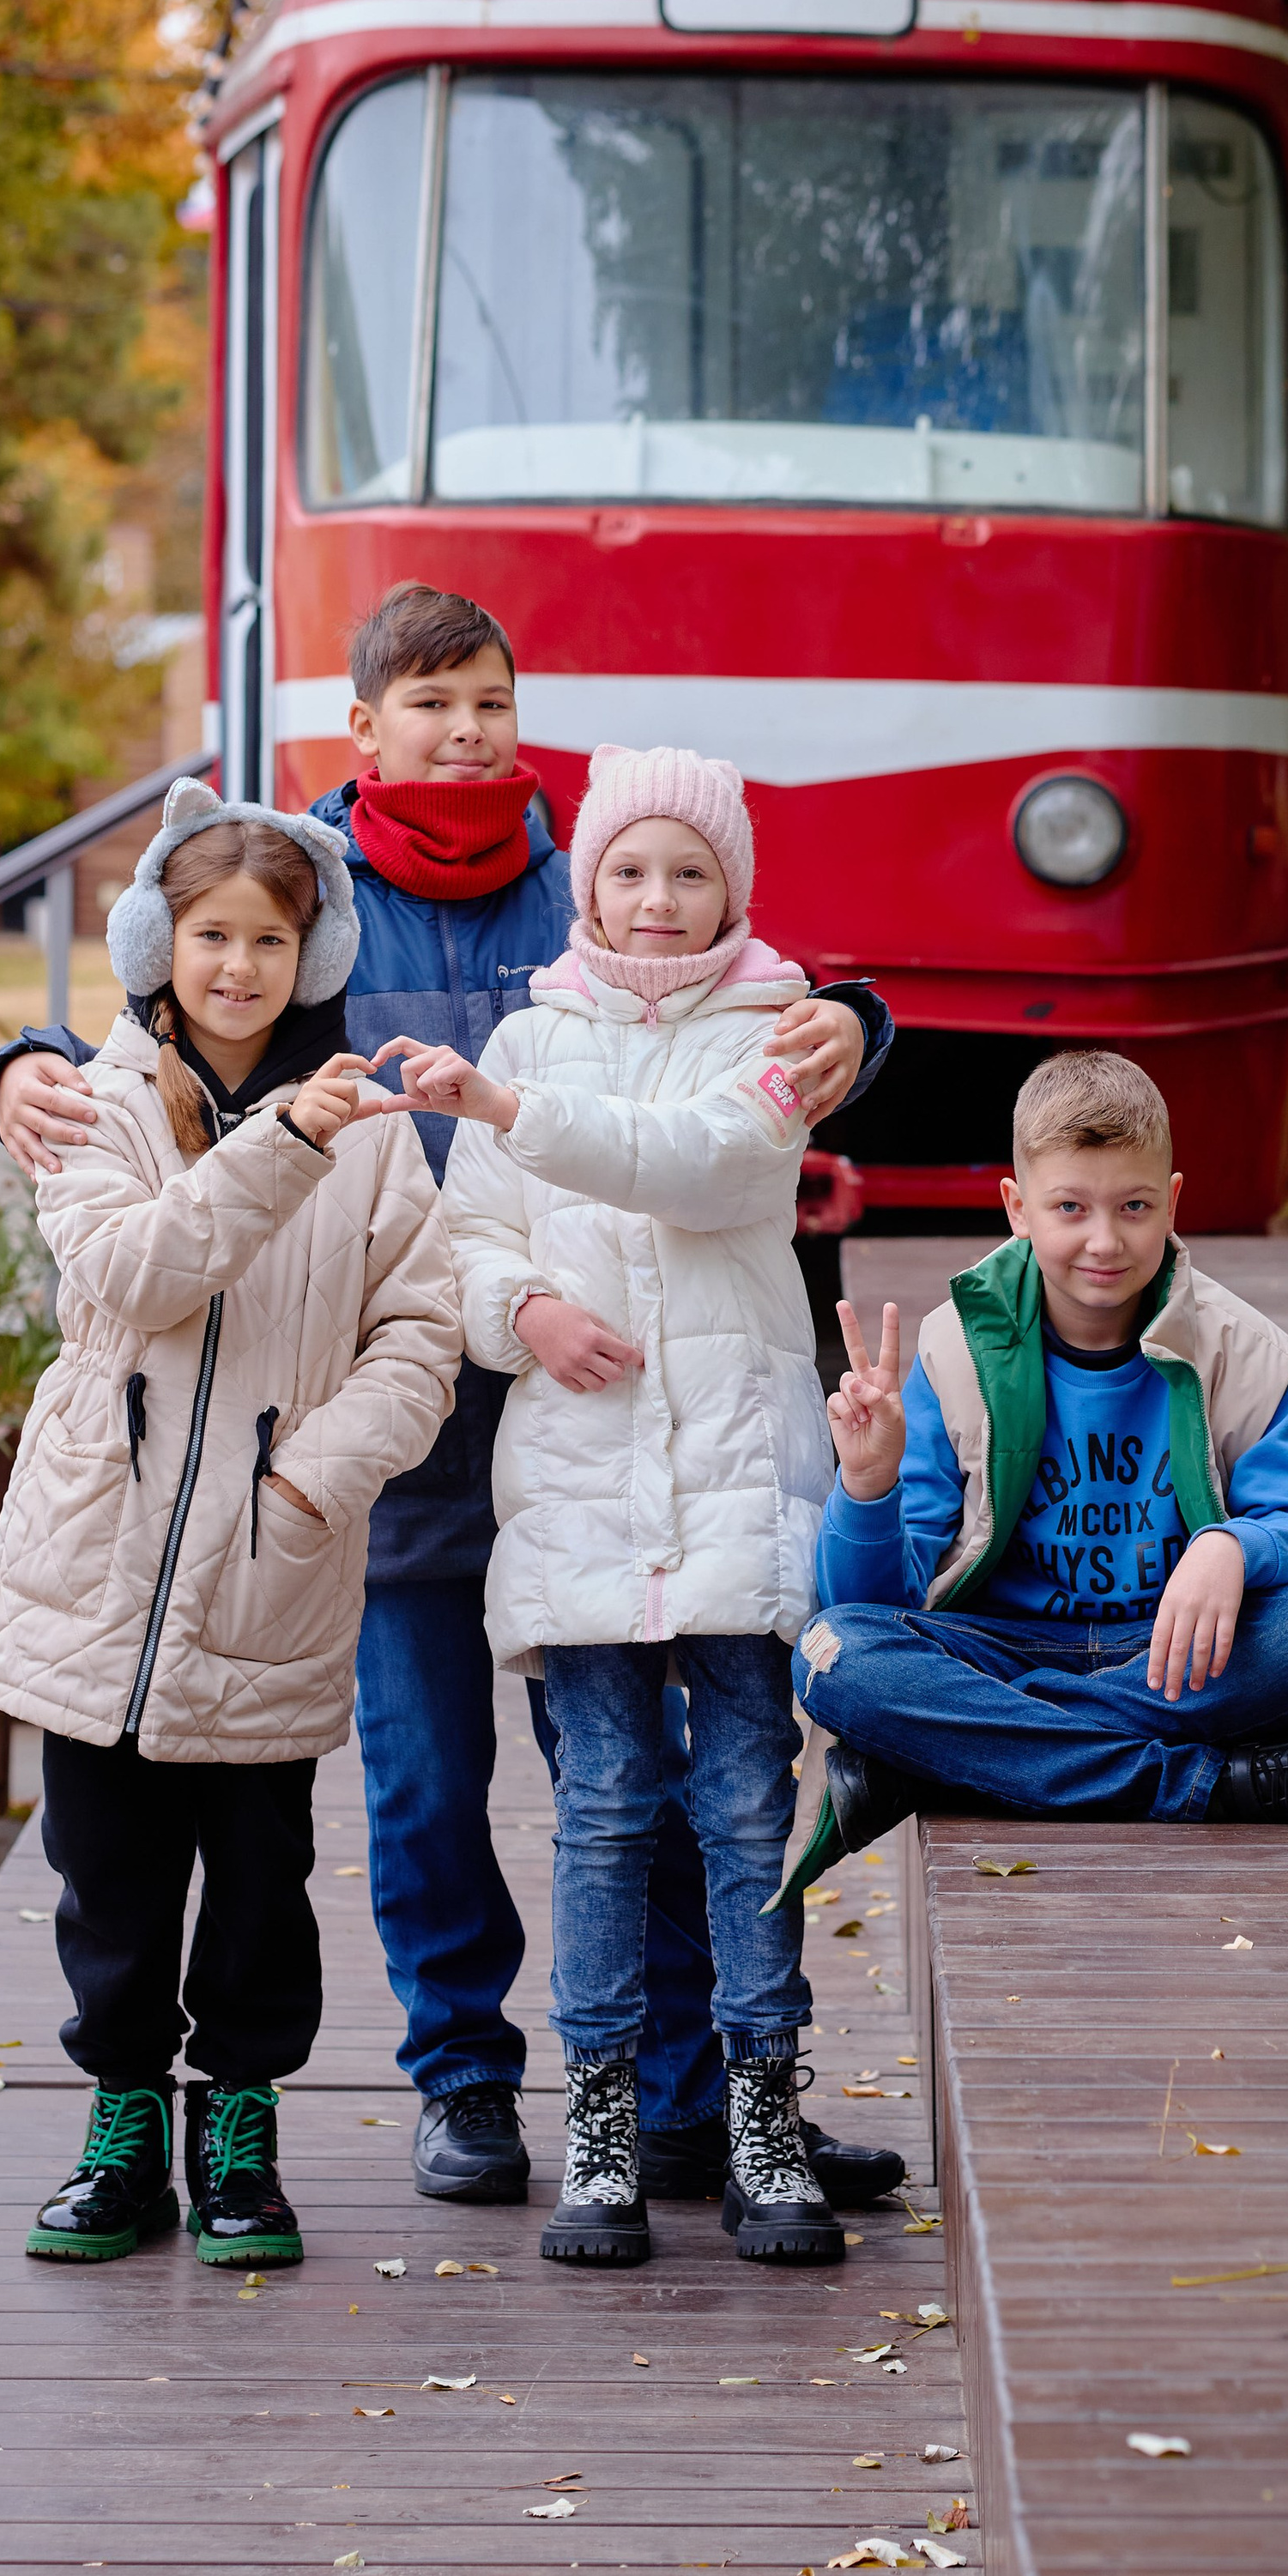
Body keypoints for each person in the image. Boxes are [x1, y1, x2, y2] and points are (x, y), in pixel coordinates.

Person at [0, 584, 904, 2216]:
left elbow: (747, 1002)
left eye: (491, 698)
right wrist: (16, 1066)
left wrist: (860, 1020)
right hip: (383, 1410)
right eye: (430, 704)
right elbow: (192, 986)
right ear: (368, 726)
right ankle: (467, 2079)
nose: (465, 729)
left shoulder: (603, 878)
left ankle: (698, 2096)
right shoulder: (316, 890)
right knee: (422, 1784)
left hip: (603, 1424)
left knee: (642, 1775)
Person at [0, 782, 465, 2269]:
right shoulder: (92, 1099)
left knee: (259, 1885)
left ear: (310, 957)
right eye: (209, 934)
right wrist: (280, 1147)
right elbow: (134, 1277)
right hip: (96, 1567)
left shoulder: (368, 1128)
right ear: (159, 941)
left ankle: (237, 2120)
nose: (237, 965)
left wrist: (320, 1474)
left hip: (270, 1564)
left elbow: (422, 1333)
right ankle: (124, 2119)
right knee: (106, 1878)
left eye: (268, 938)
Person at [426, 746, 843, 2270]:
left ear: (733, 886)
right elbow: (462, 1238)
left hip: (736, 1464)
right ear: (585, 884)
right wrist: (522, 1307)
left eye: (690, 870)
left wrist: (510, 1106)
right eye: (627, 870)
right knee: (600, 1808)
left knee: (746, 1804)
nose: (658, 899)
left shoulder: (782, 1034)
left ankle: (763, 2113)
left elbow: (713, 1173)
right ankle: (597, 2121)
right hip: (583, 1475)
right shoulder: (529, 1035)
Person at [776, 1050, 1288, 1896]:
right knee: (833, 1653)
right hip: (1001, 1647)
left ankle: (959, 1759)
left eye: (1133, 1206)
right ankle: (1209, 1784)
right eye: (1071, 1207)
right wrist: (868, 1485)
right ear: (1018, 1209)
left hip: (1168, 1652)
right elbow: (868, 1602)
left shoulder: (1238, 1349)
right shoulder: (957, 1351)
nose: (1105, 1239)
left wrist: (1234, 1547)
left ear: (1171, 1202)